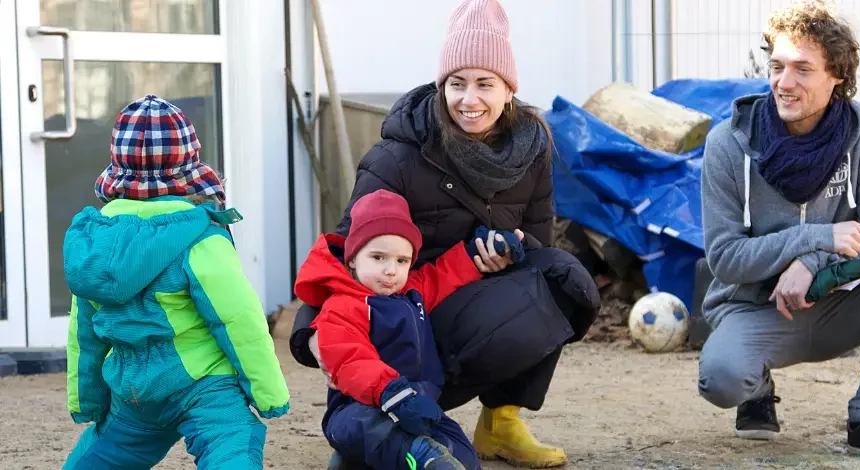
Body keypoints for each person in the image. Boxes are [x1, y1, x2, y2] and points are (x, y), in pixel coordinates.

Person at [289, 0, 600, 468]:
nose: (469, 99)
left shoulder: (533, 147)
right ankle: (378, 415)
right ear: (441, 86)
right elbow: (345, 247)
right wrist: (311, 334)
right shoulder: (397, 158)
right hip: (406, 312)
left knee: (564, 280)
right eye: (456, 84)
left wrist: (508, 251)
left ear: (508, 90)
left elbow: (540, 244)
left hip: (473, 291)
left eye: (484, 84)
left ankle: (501, 421)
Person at [696, 1, 860, 460]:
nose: (784, 83)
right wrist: (814, 239)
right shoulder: (727, 144)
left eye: (802, 70)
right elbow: (725, 258)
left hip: (840, 303)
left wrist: (813, 265)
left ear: (838, 79)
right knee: (721, 379)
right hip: (756, 309)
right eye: (777, 66)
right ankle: (755, 389)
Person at [61, 95, 290, 469]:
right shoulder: (200, 235)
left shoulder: (94, 244)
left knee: (103, 456)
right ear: (190, 163)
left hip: (133, 388)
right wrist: (267, 392)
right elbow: (238, 319)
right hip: (202, 384)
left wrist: (85, 399)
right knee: (231, 445)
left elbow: (83, 332)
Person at [296, 189, 527, 470]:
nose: (391, 270)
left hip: (416, 405)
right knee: (365, 428)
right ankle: (410, 454)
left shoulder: (411, 291)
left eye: (401, 260)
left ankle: (411, 456)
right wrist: (393, 392)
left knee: (462, 455)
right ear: (353, 258)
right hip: (359, 406)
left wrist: (480, 248)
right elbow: (350, 360)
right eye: (378, 257)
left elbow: (445, 273)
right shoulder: (342, 305)